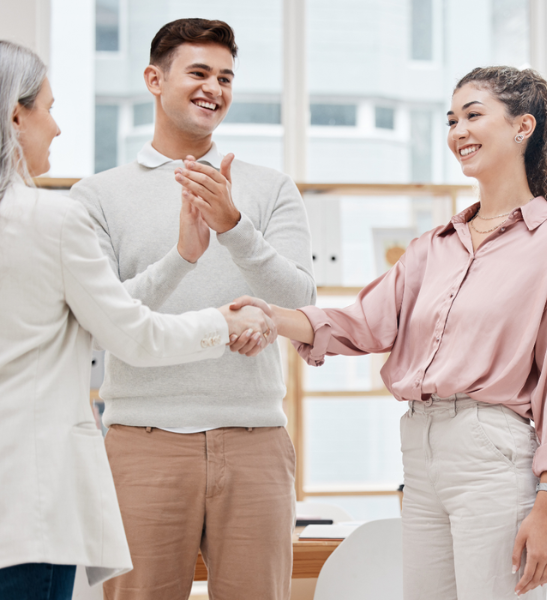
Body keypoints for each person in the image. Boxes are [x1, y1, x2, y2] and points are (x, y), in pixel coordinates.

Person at [233, 66, 547, 600]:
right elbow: (362, 322)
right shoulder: (435, 245)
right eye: (452, 120)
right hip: (421, 449)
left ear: (523, 127)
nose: (458, 131)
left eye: (474, 115)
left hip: (493, 450)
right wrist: (272, 313)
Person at [0, 41, 275, 600]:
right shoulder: (54, 217)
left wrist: (183, 257)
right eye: (48, 109)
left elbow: (104, 315)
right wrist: (225, 322)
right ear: (14, 114)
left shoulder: (270, 186)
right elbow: (129, 332)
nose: (55, 128)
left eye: (226, 76)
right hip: (28, 500)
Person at [68, 19, 315, 600]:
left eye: (225, 77)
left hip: (255, 436)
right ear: (155, 79)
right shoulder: (97, 196)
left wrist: (233, 227)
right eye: (199, 73)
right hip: (142, 440)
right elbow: (104, 319)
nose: (215, 88)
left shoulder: (270, 187)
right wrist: (182, 257)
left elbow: (299, 299)